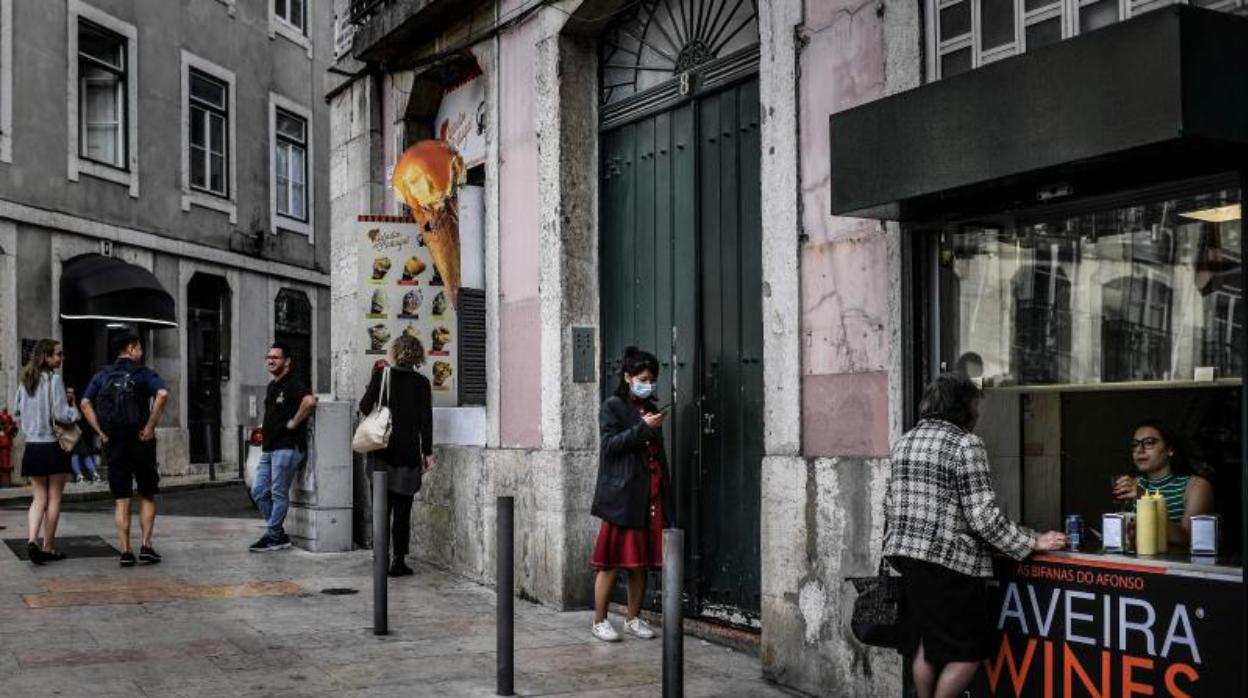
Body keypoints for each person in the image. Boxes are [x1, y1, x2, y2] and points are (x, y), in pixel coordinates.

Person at [882, 373, 1066, 698]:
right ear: (963, 406)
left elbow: (890, 503)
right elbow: (982, 518)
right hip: (948, 562)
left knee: (928, 643)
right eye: (976, 405)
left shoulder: (906, 441)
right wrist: (1032, 541)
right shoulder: (965, 443)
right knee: (969, 651)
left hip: (907, 557)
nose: (979, 413)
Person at [589, 346, 670, 643]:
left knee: (641, 563)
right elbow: (610, 445)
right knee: (610, 562)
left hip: (648, 494)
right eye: (643, 378)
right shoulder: (613, 406)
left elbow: (658, 455)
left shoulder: (650, 408)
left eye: (652, 378)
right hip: (621, 497)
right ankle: (600, 620)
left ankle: (633, 619)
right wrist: (642, 428)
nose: (648, 383)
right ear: (628, 377)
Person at [80, 333, 170, 567]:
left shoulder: (102, 375)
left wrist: (100, 432)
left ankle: (125, 550)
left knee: (122, 498)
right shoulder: (144, 373)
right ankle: (147, 546)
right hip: (141, 439)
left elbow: (84, 403)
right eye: (139, 347)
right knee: (147, 494)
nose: (141, 351)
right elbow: (162, 394)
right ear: (131, 348)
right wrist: (150, 426)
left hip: (115, 440)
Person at [358, 335, 433, 576]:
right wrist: (427, 452)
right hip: (408, 455)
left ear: (394, 352)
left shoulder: (382, 376)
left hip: (381, 452)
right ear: (418, 356)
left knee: (381, 508)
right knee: (402, 511)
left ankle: (380, 556)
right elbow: (426, 421)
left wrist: (375, 380)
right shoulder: (422, 383)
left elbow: (364, 406)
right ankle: (398, 561)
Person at [12, 339, 78, 564]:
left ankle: (32, 540)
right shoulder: (54, 379)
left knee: (38, 498)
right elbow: (61, 414)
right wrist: (74, 409)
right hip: (53, 445)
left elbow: (17, 411)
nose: (61, 358)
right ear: (46, 357)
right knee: (54, 498)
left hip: (32, 446)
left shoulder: (25, 381)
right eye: (58, 354)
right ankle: (48, 547)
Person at [249, 341, 318, 552]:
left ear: (287, 362)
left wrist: (294, 422)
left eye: (275, 357)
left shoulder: (293, 384)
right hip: (270, 449)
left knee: (279, 494)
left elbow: (309, 401)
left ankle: (273, 536)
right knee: (259, 490)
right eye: (268, 357)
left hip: (287, 448)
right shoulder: (272, 386)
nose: (270, 360)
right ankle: (277, 535)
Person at [1112, 419, 1214, 550]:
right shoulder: (1134, 483)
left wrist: (1144, 499)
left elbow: (1189, 538)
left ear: (1170, 449)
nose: (1139, 450)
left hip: (1177, 566)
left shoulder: (1196, 486)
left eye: (1149, 443)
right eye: (1135, 444)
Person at [66, 388, 102, 484]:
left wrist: (74, 403)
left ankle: (94, 474)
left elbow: (78, 417)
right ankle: (79, 476)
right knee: (74, 454)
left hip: (77, 433)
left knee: (85, 453)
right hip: (67, 434)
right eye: (68, 392)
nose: (70, 394)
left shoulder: (73, 405)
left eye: (72, 393)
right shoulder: (61, 404)